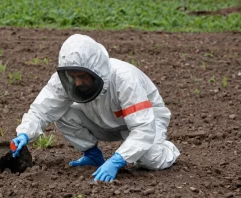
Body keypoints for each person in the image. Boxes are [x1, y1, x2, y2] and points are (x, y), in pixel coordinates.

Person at [10, 34, 180, 182]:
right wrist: (25, 133)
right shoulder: (64, 81)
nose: (77, 83)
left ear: (95, 71)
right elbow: (42, 110)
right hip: (107, 120)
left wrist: (117, 160)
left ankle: (167, 149)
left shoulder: (124, 79)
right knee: (63, 113)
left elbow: (143, 127)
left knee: (149, 160)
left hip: (147, 121)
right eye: (73, 76)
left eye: (82, 76)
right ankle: (92, 155)